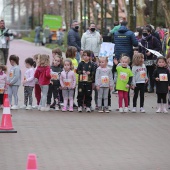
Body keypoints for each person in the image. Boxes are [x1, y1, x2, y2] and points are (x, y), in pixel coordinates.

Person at [138, 27, 161, 93]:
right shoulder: (141, 40)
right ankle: (144, 87)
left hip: (151, 59)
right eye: (143, 31)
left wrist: (151, 52)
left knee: (151, 74)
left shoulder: (154, 39)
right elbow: (140, 49)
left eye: (146, 31)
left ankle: (151, 87)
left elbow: (158, 47)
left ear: (149, 32)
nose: (144, 32)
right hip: (144, 59)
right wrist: (141, 55)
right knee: (144, 73)